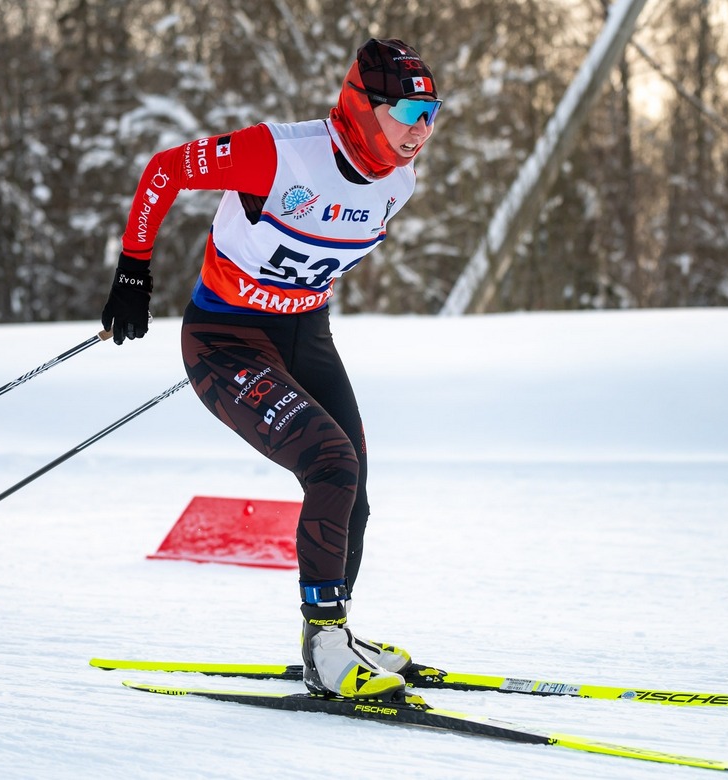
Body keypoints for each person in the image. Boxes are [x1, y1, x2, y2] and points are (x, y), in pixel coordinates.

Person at [100, 39, 441, 700]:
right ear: (362, 106)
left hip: (305, 337)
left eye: (431, 112)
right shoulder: (280, 152)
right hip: (226, 340)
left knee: (354, 489)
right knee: (331, 464)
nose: (420, 128)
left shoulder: (400, 183)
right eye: (405, 109)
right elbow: (165, 170)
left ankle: (334, 635)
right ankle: (324, 651)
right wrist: (133, 274)